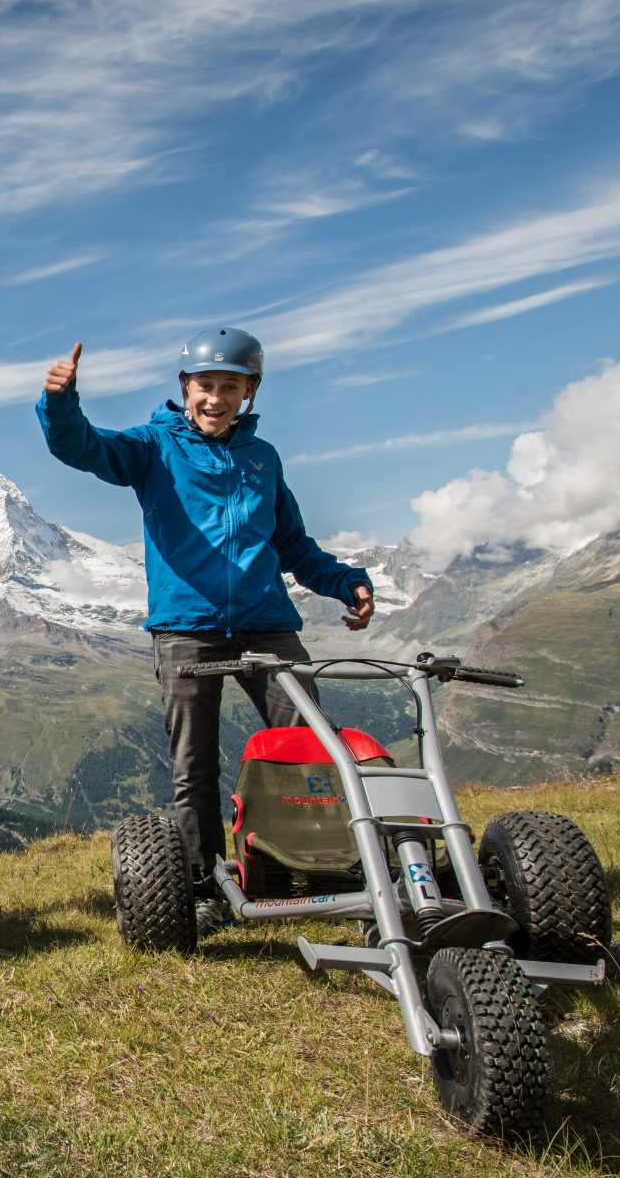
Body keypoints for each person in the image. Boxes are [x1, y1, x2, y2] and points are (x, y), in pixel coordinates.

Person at [36, 328, 375, 933]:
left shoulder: (263, 458)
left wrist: (345, 581)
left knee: (308, 747)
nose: (215, 398)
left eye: (230, 387)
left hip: (267, 624)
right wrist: (61, 402)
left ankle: (311, 865)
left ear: (249, 393)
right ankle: (200, 884)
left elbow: (293, 543)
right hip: (186, 629)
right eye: (205, 386)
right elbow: (82, 448)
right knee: (193, 765)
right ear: (184, 388)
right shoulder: (152, 447)